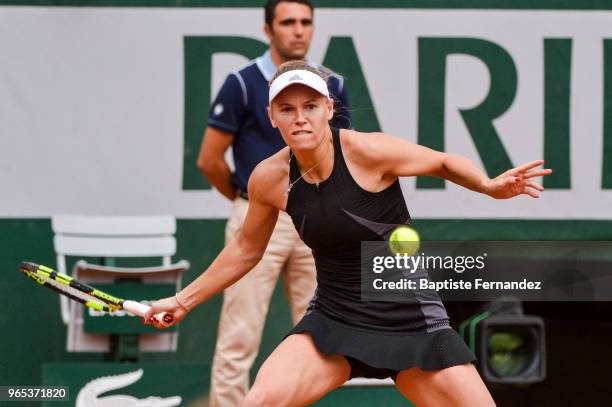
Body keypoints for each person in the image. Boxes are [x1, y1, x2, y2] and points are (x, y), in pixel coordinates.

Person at [147, 61, 552, 406]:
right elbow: (245, 250)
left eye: (310, 106)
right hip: (334, 320)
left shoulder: (368, 151)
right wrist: (184, 300)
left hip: (410, 320)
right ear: (271, 116)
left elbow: (443, 163)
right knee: (260, 401)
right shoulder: (268, 178)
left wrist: (487, 184)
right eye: (286, 109)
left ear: (329, 108)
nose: (300, 117)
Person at [196, 1, 350, 405]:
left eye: (305, 22)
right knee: (238, 337)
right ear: (269, 30)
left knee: (319, 339)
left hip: (316, 221)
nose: (298, 31)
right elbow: (209, 159)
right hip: (257, 217)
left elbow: (343, 154)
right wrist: (246, 197)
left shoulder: (332, 84)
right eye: (288, 23)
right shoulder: (242, 83)